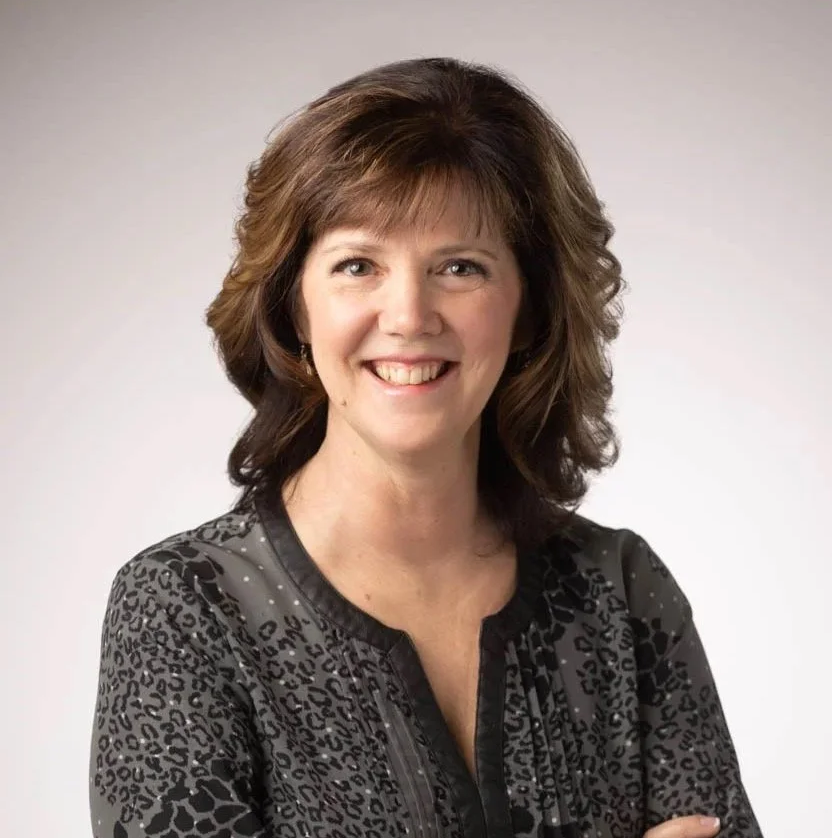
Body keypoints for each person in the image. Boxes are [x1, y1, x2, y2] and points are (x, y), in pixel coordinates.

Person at [88, 57, 764, 838]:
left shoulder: (619, 592)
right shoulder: (183, 608)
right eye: (357, 265)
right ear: (295, 306)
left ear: (529, 308)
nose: (409, 315)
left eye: (459, 267)